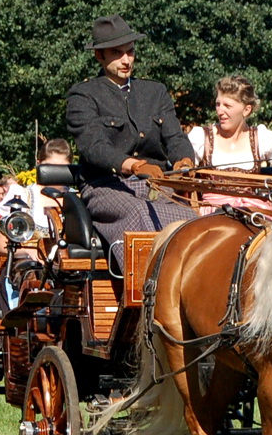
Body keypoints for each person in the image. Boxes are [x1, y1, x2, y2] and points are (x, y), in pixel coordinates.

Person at [64, 15, 197, 259]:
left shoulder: (155, 92)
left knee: (190, 221)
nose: (126, 60)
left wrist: (184, 161)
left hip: (156, 186)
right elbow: (94, 146)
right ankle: (145, 293)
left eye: (131, 52)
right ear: (99, 56)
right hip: (105, 186)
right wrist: (135, 165)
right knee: (141, 214)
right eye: (117, 53)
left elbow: (175, 137)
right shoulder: (83, 95)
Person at [185, 75, 272, 213]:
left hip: (252, 212)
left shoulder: (262, 138)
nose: (220, 111)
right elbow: (184, 175)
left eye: (227, 106)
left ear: (246, 110)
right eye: (218, 104)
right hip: (211, 214)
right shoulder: (201, 137)